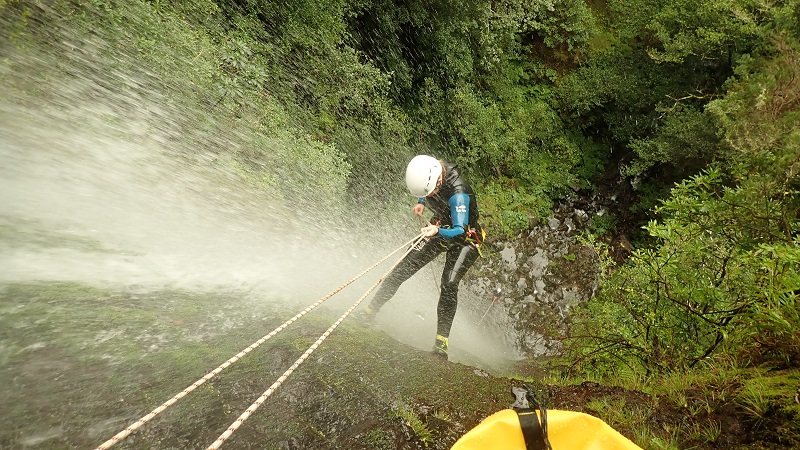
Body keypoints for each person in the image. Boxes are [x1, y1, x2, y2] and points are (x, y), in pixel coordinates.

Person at [362, 155, 484, 360]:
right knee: (402, 266)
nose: (429, 196)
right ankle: (369, 311)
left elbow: (460, 231)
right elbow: (425, 190)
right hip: (438, 228)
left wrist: (437, 232)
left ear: (438, 181)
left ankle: (441, 343)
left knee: (449, 283)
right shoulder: (429, 170)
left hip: (465, 238)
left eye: (428, 193)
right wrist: (421, 201)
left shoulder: (459, 195)